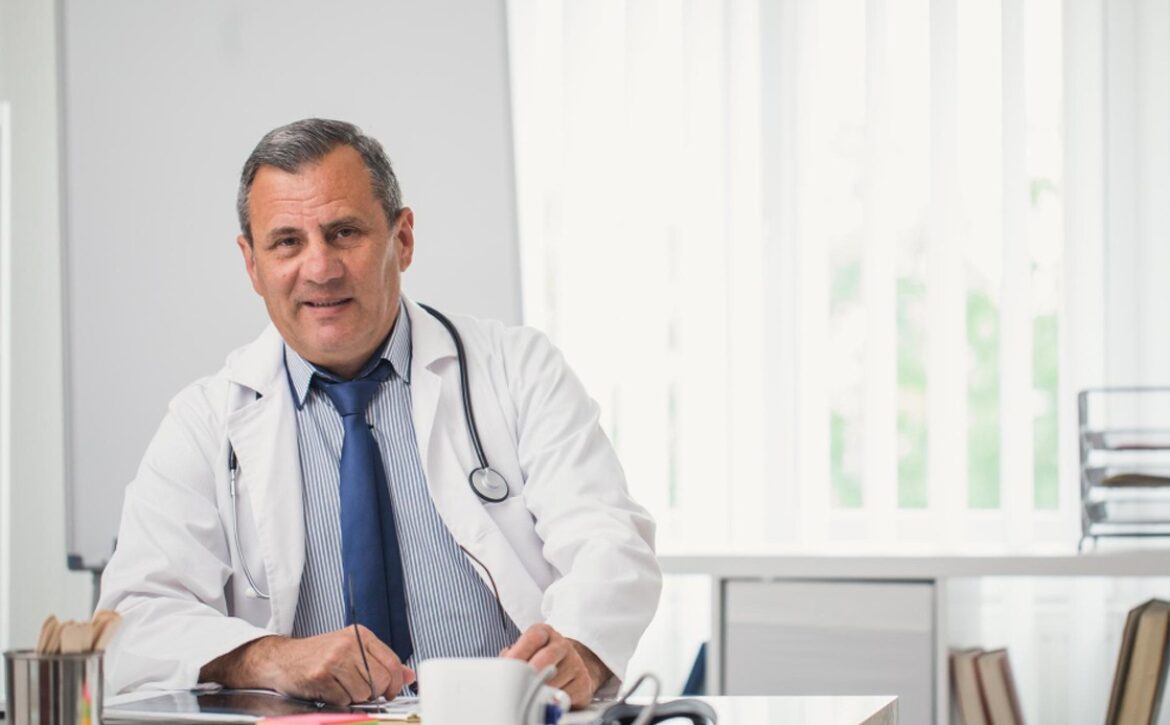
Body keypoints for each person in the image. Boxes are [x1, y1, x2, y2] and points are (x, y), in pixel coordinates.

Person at [96, 119, 661, 708]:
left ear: (404, 238)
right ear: (252, 263)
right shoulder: (205, 420)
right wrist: (267, 656)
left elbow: (609, 541)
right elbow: (133, 618)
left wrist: (580, 652)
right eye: (287, 242)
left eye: (344, 233)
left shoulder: (519, 371)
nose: (319, 269)